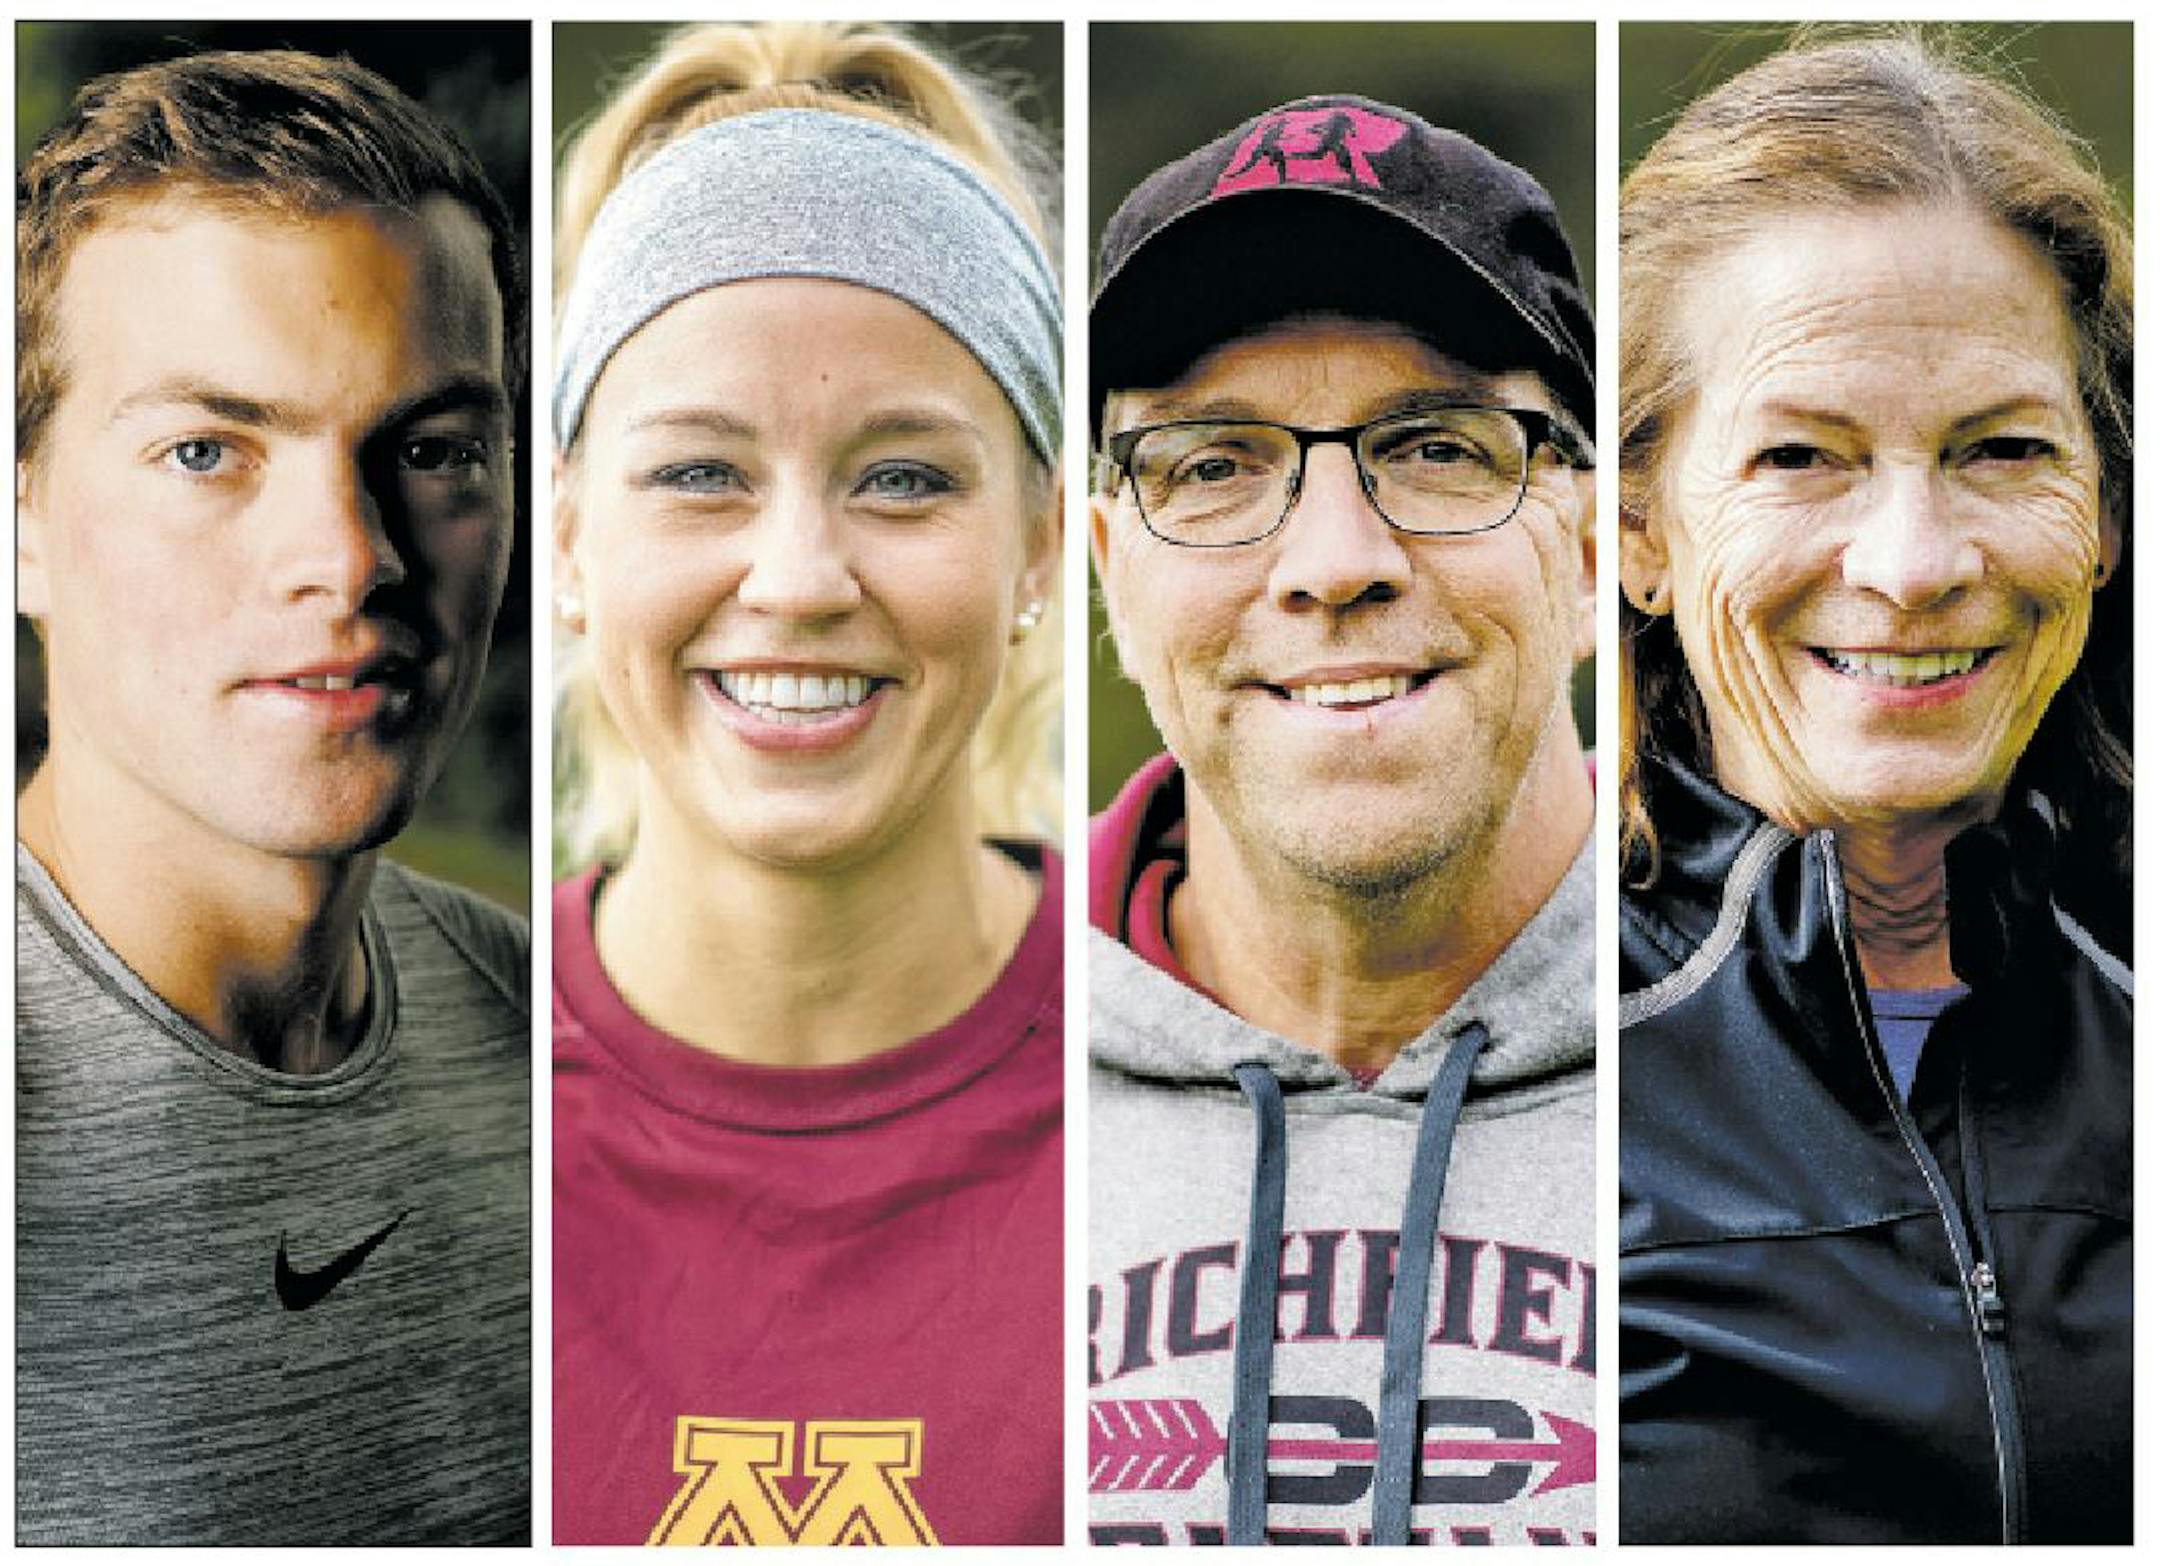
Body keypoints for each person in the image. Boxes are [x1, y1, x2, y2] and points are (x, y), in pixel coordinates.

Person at [548, 22, 1063, 1546]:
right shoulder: (442, 1107)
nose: (799, 579)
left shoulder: (1185, 1079)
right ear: (569, 539)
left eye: (904, 475)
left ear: (1039, 542)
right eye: (699, 471)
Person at [1615, 32, 2132, 1545]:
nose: (1913, 564)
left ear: (2104, 509)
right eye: (1801, 456)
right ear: (1640, 532)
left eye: (2002, 449)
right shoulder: (1510, 1018)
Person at [14, 47, 529, 1545]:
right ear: (24, 525)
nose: (351, 555)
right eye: (206, 450)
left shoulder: (545, 1030)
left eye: (432, 450)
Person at [1087, 94, 1597, 1546]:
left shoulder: (1777, 1045)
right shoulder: (953, 1075)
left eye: (1437, 445)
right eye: (1214, 464)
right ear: (1111, 572)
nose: (1331, 561)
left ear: (1585, 529)